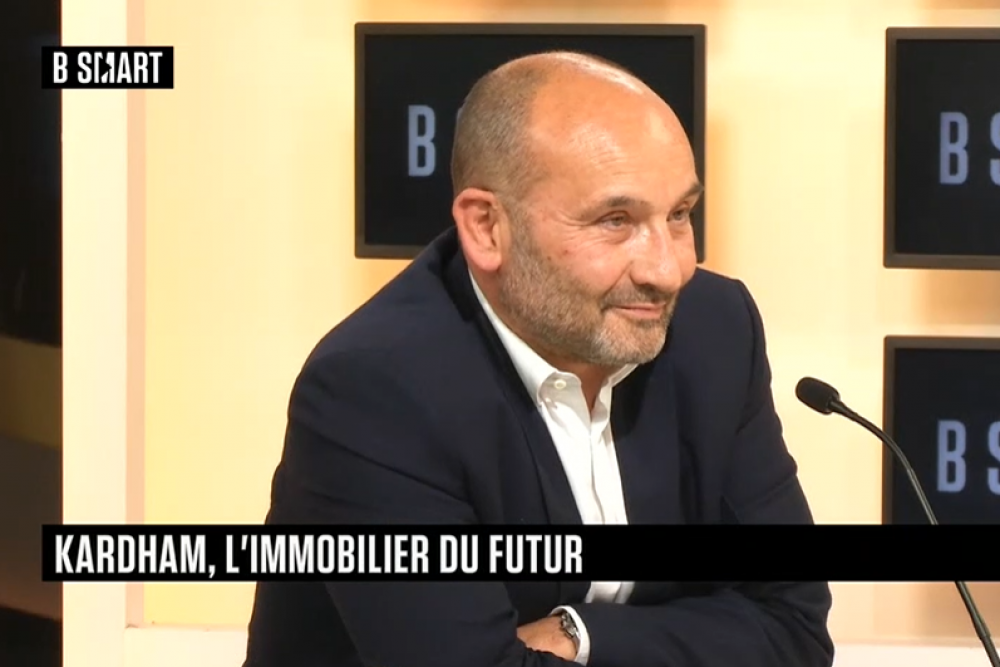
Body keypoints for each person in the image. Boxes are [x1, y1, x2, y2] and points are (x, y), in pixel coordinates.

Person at [242, 51, 834, 667]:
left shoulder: (715, 330)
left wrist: (578, 635)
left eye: (680, 215)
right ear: (486, 228)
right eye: (615, 221)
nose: (667, 270)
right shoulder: (374, 390)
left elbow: (794, 627)